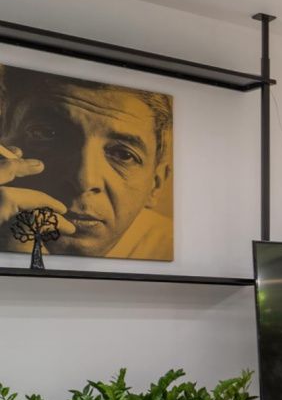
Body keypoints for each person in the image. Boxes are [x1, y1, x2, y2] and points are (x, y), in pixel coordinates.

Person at [0, 66, 172, 260]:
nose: (84, 181)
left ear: (156, 184)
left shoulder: (174, 253)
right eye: (47, 134)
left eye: (123, 155)